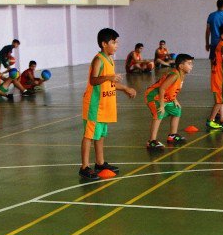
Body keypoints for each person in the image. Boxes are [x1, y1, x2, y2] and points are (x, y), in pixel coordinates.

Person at [79, 27, 136, 181]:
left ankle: (100, 162)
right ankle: (84, 167)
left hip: (105, 105)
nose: (116, 45)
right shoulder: (98, 59)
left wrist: (125, 88)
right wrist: (109, 77)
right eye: (113, 42)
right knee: (89, 135)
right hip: (94, 105)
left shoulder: (110, 59)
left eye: (117, 42)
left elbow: (109, 83)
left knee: (100, 135)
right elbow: (94, 80)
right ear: (104, 44)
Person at [145, 53, 193, 149]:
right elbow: (162, 88)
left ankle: (172, 135)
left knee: (177, 110)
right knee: (159, 114)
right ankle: (152, 141)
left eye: (191, 63)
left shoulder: (181, 75)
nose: (191, 66)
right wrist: (162, 106)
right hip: (154, 96)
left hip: (165, 97)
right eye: (189, 63)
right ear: (181, 66)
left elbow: (171, 89)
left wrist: (175, 100)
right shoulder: (174, 75)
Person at [204, 0, 223, 67]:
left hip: (214, 43)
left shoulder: (211, 16)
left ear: (217, 5)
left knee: (213, 64)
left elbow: (207, 31)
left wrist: (207, 43)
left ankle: (214, 77)